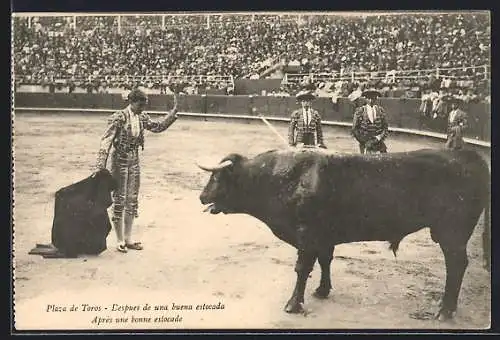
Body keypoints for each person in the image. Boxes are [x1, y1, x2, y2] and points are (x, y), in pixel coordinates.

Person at [94, 89, 179, 253]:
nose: (142, 108)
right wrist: (100, 167)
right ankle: (119, 240)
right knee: (120, 199)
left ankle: (128, 239)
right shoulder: (119, 117)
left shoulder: (142, 116)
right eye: (140, 105)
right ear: (132, 102)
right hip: (119, 161)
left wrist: (172, 114)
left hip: (134, 161)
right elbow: (106, 141)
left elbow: (158, 127)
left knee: (132, 199)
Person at [351, 88, 389, 154]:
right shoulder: (360, 111)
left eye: (373, 98)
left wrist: (378, 138)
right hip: (365, 141)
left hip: (378, 142)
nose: (371, 100)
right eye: (369, 98)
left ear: (376, 99)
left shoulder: (380, 110)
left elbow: (385, 128)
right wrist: (364, 140)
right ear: (365, 99)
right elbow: (355, 129)